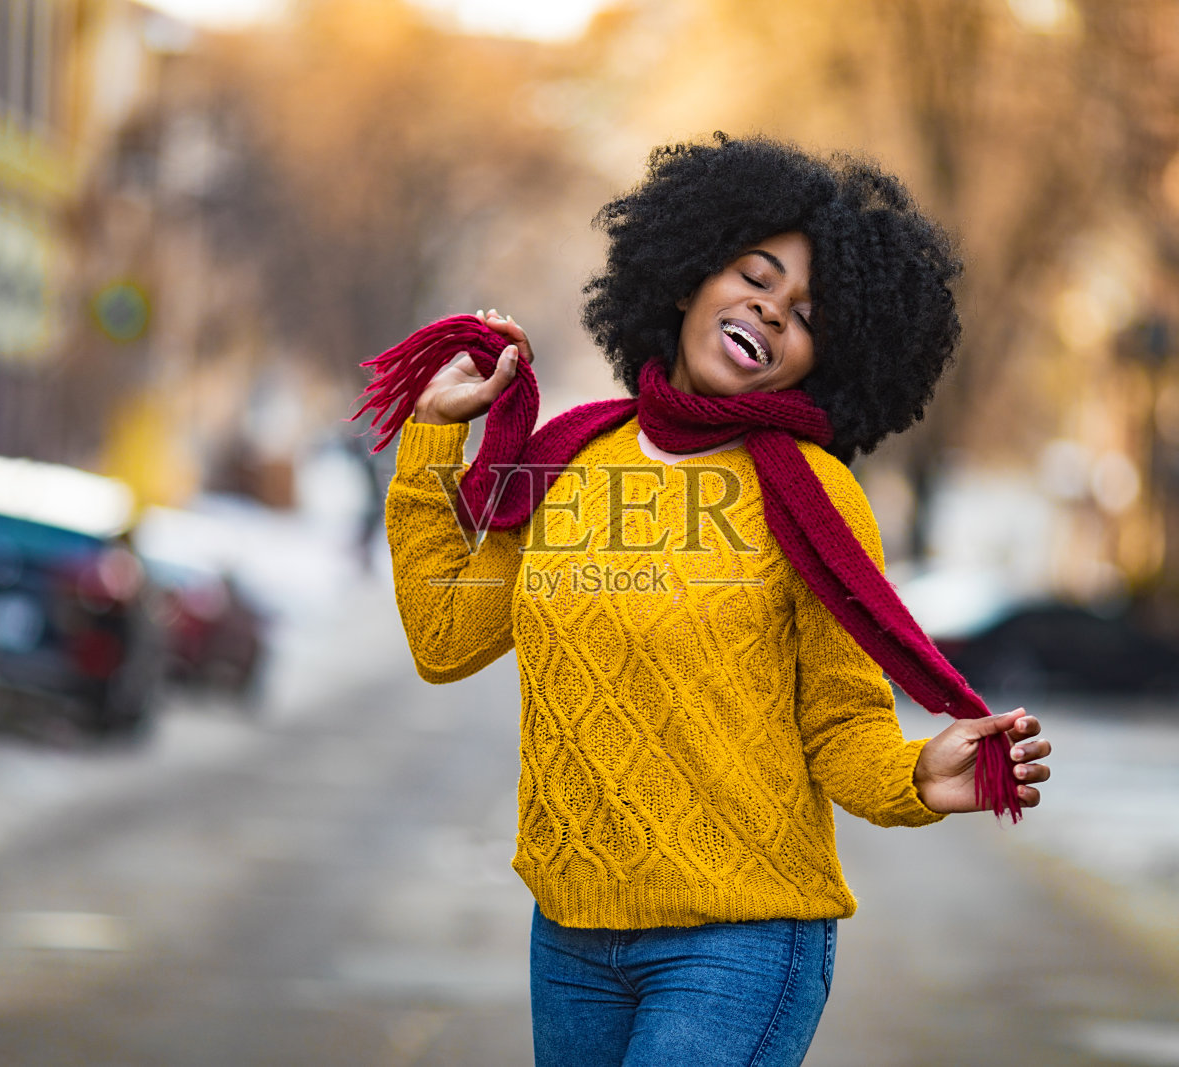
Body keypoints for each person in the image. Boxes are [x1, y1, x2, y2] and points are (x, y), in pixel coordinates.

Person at [378, 135, 1052, 1067]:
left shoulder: (814, 496)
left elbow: (841, 723)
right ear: (687, 277)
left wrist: (913, 776)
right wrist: (430, 437)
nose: (770, 310)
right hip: (570, 938)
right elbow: (444, 638)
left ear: (824, 358)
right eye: (754, 276)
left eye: (805, 314)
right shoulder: (564, 458)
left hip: (741, 943)